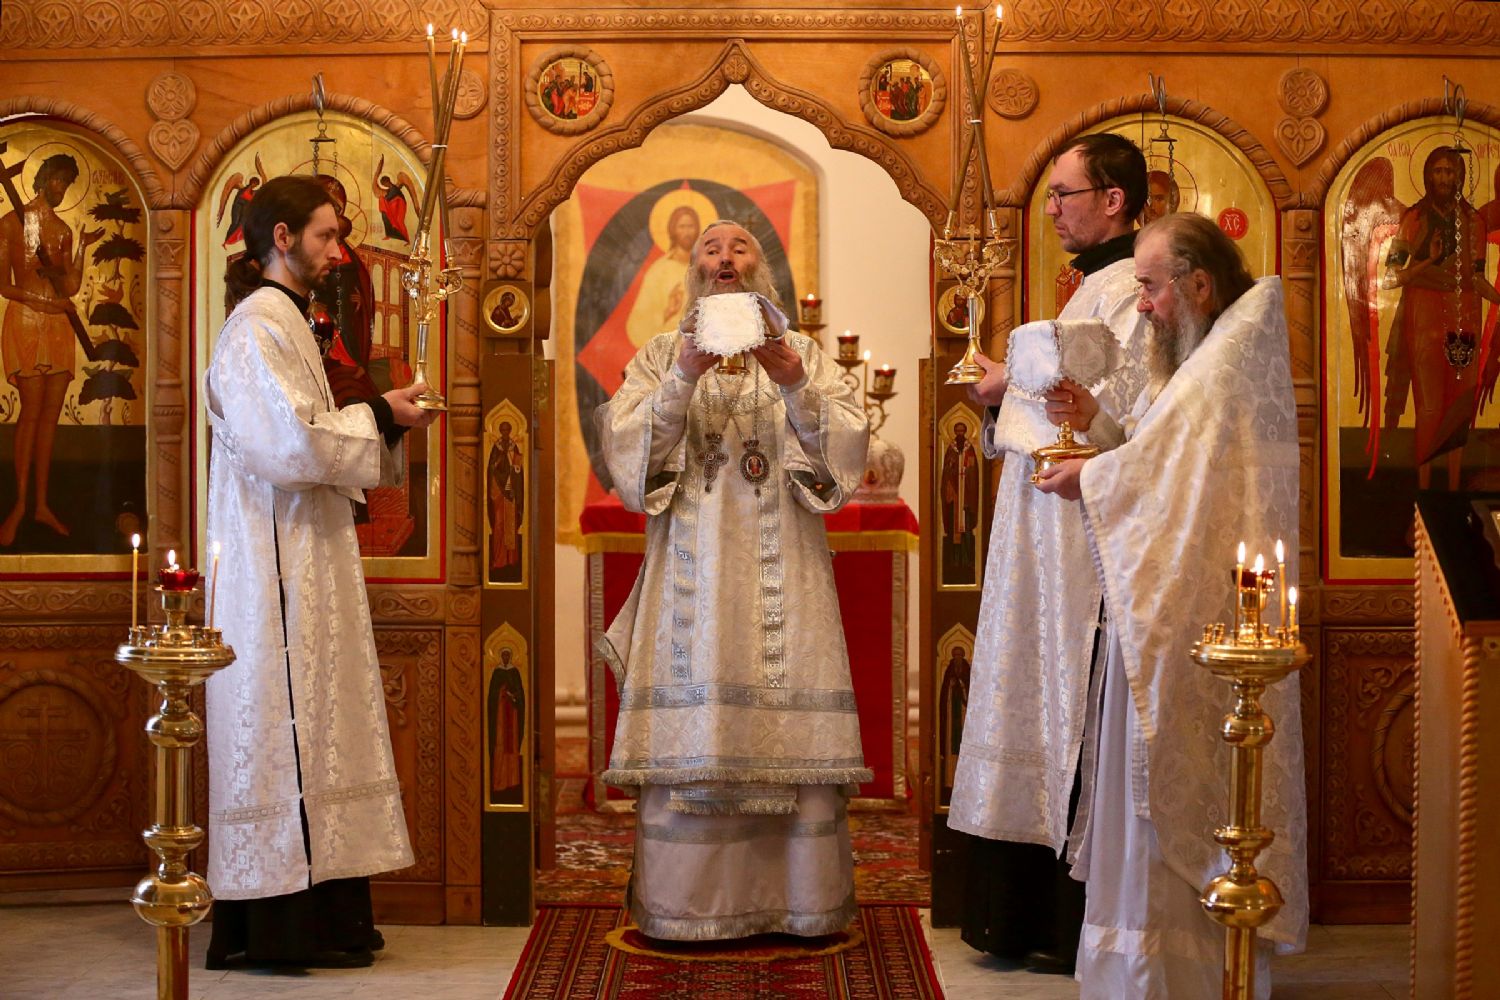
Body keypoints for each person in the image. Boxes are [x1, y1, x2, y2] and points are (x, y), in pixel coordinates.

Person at [1034, 212, 1308, 998]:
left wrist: (1089, 476)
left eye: (1152, 287)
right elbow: (1158, 453)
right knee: (1144, 792)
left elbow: (1164, 474)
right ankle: (1139, 973)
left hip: (1197, 620)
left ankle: (1172, 977)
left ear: (1199, 285)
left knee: (1171, 795)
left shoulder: (1221, 369)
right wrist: (1098, 424)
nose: (1145, 305)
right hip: (1163, 609)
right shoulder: (1201, 362)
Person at [596, 219, 871, 941]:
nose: (725, 257)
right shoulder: (662, 354)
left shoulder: (802, 353)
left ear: (761, 268)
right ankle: (688, 908)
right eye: (711, 249)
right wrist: (683, 376)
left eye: (739, 246)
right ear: (693, 270)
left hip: (789, 575)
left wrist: (795, 382)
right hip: (692, 576)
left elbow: (846, 450)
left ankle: (799, 902)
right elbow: (628, 457)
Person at [201, 175, 437, 970]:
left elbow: (309, 429)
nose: (339, 252)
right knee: (285, 726)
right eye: (327, 236)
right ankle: (278, 928)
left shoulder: (291, 321)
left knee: (318, 727)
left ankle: (328, 922)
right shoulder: (255, 329)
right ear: (282, 237)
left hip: (306, 554)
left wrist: (381, 413)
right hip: (272, 567)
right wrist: (381, 415)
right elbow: (290, 445)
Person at [946, 131, 1150, 975]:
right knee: (1032, 689)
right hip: (1043, 534)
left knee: (1068, 700)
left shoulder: (1133, 291)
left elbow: (1118, 409)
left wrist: (1010, 385)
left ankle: (1060, 919)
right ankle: (1021, 918)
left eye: (1065, 194)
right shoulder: (1090, 288)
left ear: (1113, 200)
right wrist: (1008, 389)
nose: (1054, 210)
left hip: (1082, 543)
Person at [1381, 146, 1499, 489]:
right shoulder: (1414, 220)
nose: (1445, 178)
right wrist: (1428, 261)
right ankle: (1425, 488)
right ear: (1428, 176)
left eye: (1451, 171)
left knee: (1460, 404)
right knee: (1430, 404)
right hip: (1424, 313)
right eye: (1439, 171)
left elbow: (1477, 278)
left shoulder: (1473, 222)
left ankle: (1453, 489)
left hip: (1465, 313)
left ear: (1460, 176)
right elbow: (1390, 278)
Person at [0, 152, 103, 545]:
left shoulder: (61, 230)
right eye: (58, 180)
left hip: (59, 327)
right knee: (30, 412)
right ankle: (18, 505)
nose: (62, 188)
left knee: (50, 418)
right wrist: (46, 303)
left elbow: (70, 286)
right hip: (26, 322)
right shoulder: (10, 223)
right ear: (43, 179)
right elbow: (4, 285)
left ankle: (42, 505)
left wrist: (83, 249)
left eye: (67, 182)